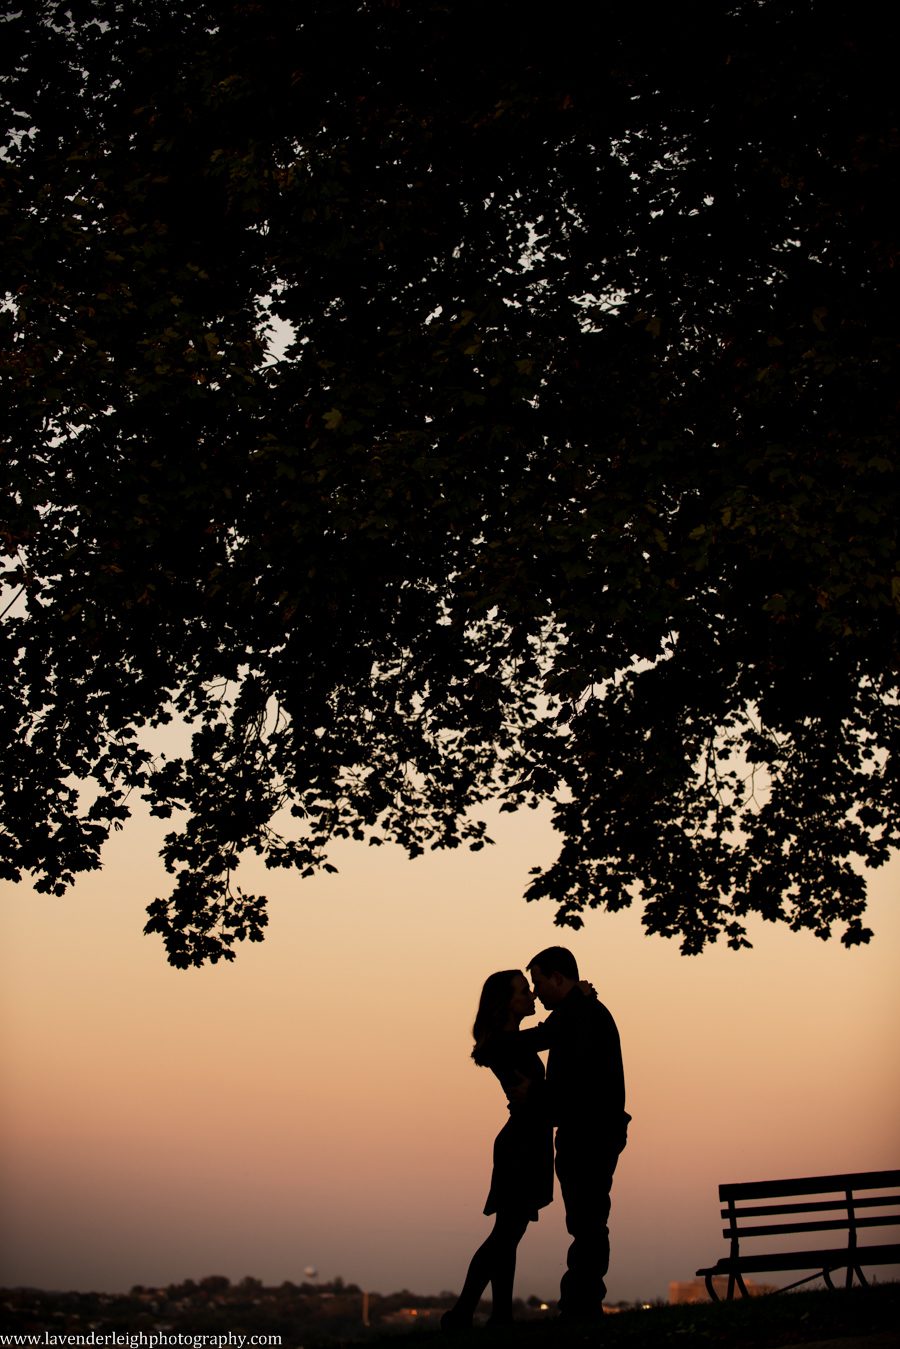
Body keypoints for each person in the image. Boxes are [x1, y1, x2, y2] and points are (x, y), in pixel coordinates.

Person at [441, 970, 553, 1331]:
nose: (533, 995)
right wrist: (576, 1005)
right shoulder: (506, 1043)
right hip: (521, 1144)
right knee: (505, 1234)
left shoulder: (509, 1041)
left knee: (509, 1234)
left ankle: (498, 1315)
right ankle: (463, 1312)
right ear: (507, 1002)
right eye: (524, 991)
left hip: (526, 1140)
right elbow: (550, 1035)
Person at [524, 945, 630, 1324]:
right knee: (587, 1218)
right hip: (594, 1130)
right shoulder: (583, 1011)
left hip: (589, 1133)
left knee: (586, 1220)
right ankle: (581, 1299)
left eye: (538, 982)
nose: (536, 993)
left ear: (557, 977)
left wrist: (494, 1042)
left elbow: (547, 1048)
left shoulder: (578, 1014)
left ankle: (581, 1302)